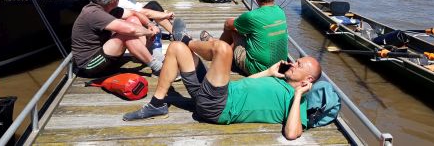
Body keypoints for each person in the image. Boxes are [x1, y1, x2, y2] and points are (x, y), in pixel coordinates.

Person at [122, 35, 322, 140]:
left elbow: (292, 133)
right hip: (217, 93)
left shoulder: (297, 99)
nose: (293, 63)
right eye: (297, 61)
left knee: (223, 49)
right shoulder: (279, 80)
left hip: (218, 106)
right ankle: (157, 104)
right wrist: (269, 72)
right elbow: (247, 83)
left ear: (308, 79)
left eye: (299, 65)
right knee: (176, 48)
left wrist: (298, 95)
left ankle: (189, 40)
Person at [71, 0, 162, 77]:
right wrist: (149, 33)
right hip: (88, 65)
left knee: (133, 19)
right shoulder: (94, 13)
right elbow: (131, 30)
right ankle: (158, 68)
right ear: (113, 0)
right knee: (125, 34)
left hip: (104, 56)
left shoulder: (107, 8)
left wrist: (150, 24)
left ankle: (145, 55)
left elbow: (134, 14)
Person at [206, 0, 287, 75]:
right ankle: (218, 45)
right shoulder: (281, 12)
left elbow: (228, 24)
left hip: (258, 69)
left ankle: (217, 50)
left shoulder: (252, 16)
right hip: (280, 67)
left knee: (232, 29)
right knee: (247, 31)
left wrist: (233, 26)